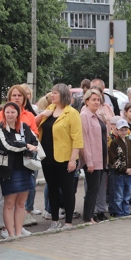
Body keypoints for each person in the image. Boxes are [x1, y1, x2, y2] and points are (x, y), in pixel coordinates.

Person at [36, 84, 83, 231]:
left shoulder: (72, 113)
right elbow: (33, 125)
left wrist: (73, 159)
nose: (52, 95)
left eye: (55, 93)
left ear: (63, 95)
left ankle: (68, 222)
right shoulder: (49, 109)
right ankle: (54, 220)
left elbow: (77, 138)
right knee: (52, 189)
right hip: (47, 157)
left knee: (67, 190)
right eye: (52, 93)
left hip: (64, 158)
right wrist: (42, 115)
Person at [0, 102, 38, 238]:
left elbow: (35, 141)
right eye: (7, 112)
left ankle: (18, 233)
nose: (10, 115)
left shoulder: (24, 127)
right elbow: (7, 145)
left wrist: (31, 147)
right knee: (9, 203)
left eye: (13, 112)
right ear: (3, 113)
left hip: (25, 169)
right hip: (10, 171)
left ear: (18, 113)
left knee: (21, 203)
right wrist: (26, 146)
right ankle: (10, 233)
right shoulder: (0, 129)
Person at [79, 89, 108, 224]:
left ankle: (90, 215)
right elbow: (84, 140)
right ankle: (87, 217)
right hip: (92, 159)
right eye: (94, 99)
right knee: (92, 188)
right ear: (86, 101)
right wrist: (89, 161)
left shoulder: (97, 115)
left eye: (98, 100)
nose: (97, 102)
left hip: (101, 157)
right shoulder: (84, 116)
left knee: (96, 188)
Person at [108, 118, 131, 216]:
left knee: (127, 193)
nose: (123, 132)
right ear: (116, 130)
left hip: (130, 173)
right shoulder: (114, 143)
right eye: (121, 130)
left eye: (125, 129)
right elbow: (113, 160)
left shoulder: (130, 142)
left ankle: (126, 210)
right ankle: (119, 212)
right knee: (119, 194)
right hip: (119, 174)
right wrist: (125, 169)